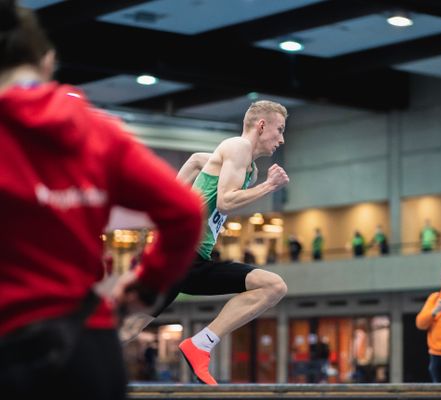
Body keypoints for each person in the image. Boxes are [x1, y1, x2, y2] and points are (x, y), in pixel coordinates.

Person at [0, 2, 204, 398]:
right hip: (88, 351)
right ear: (47, 61)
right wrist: (148, 285)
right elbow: (184, 210)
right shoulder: (97, 131)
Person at [119, 100, 290, 385]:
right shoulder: (238, 147)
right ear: (262, 125)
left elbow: (199, 160)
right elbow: (224, 201)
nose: (282, 139)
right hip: (176, 256)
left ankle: (201, 345)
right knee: (127, 329)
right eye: (280, 130)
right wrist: (270, 187)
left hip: (194, 261)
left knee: (272, 286)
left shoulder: (248, 166)